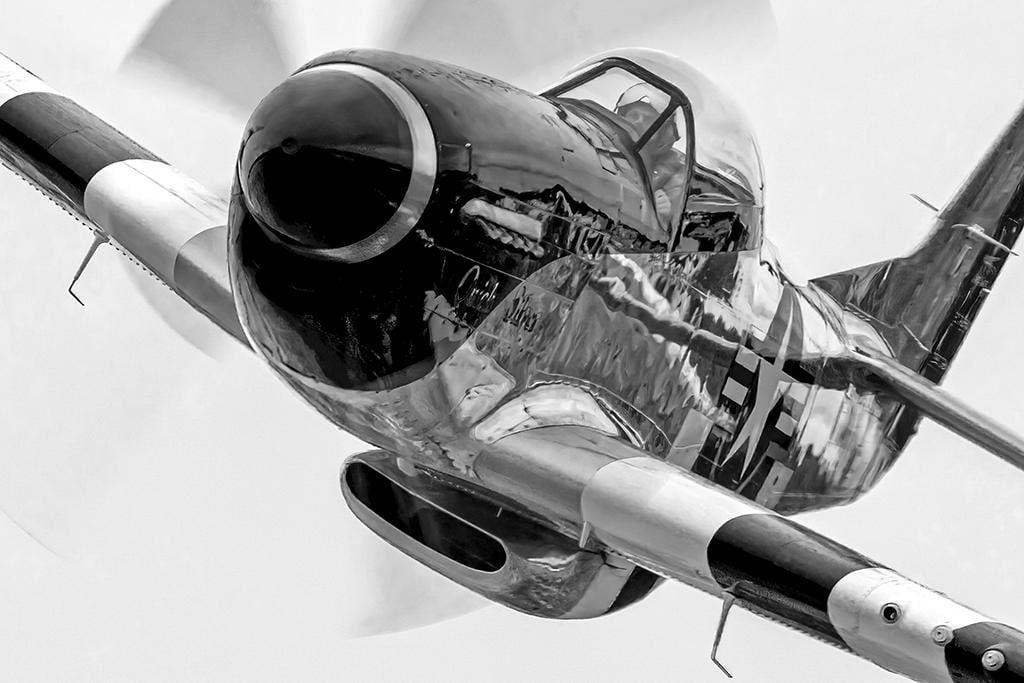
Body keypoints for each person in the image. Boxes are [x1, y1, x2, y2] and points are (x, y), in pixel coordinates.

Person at [614, 84, 687, 232]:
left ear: (663, 132)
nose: (638, 122)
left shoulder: (676, 173)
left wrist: (662, 215)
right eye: (633, 116)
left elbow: (673, 235)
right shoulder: (597, 142)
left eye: (648, 119)